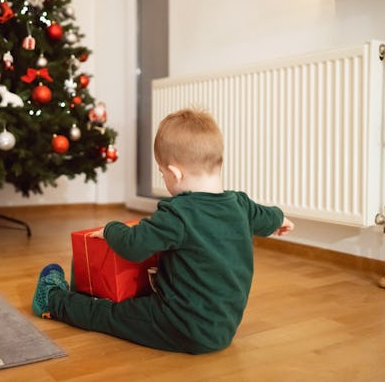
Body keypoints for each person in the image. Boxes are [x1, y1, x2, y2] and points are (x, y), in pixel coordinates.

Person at [32, 107, 294, 354]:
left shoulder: (178, 213)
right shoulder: (240, 204)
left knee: (109, 314)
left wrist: (112, 229)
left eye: (162, 173)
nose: (164, 179)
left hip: (179, 325)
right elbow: (269, 216)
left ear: (175, 173)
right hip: (224, 327)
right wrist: (281, 220)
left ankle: (52, 301)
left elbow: (133, 246)